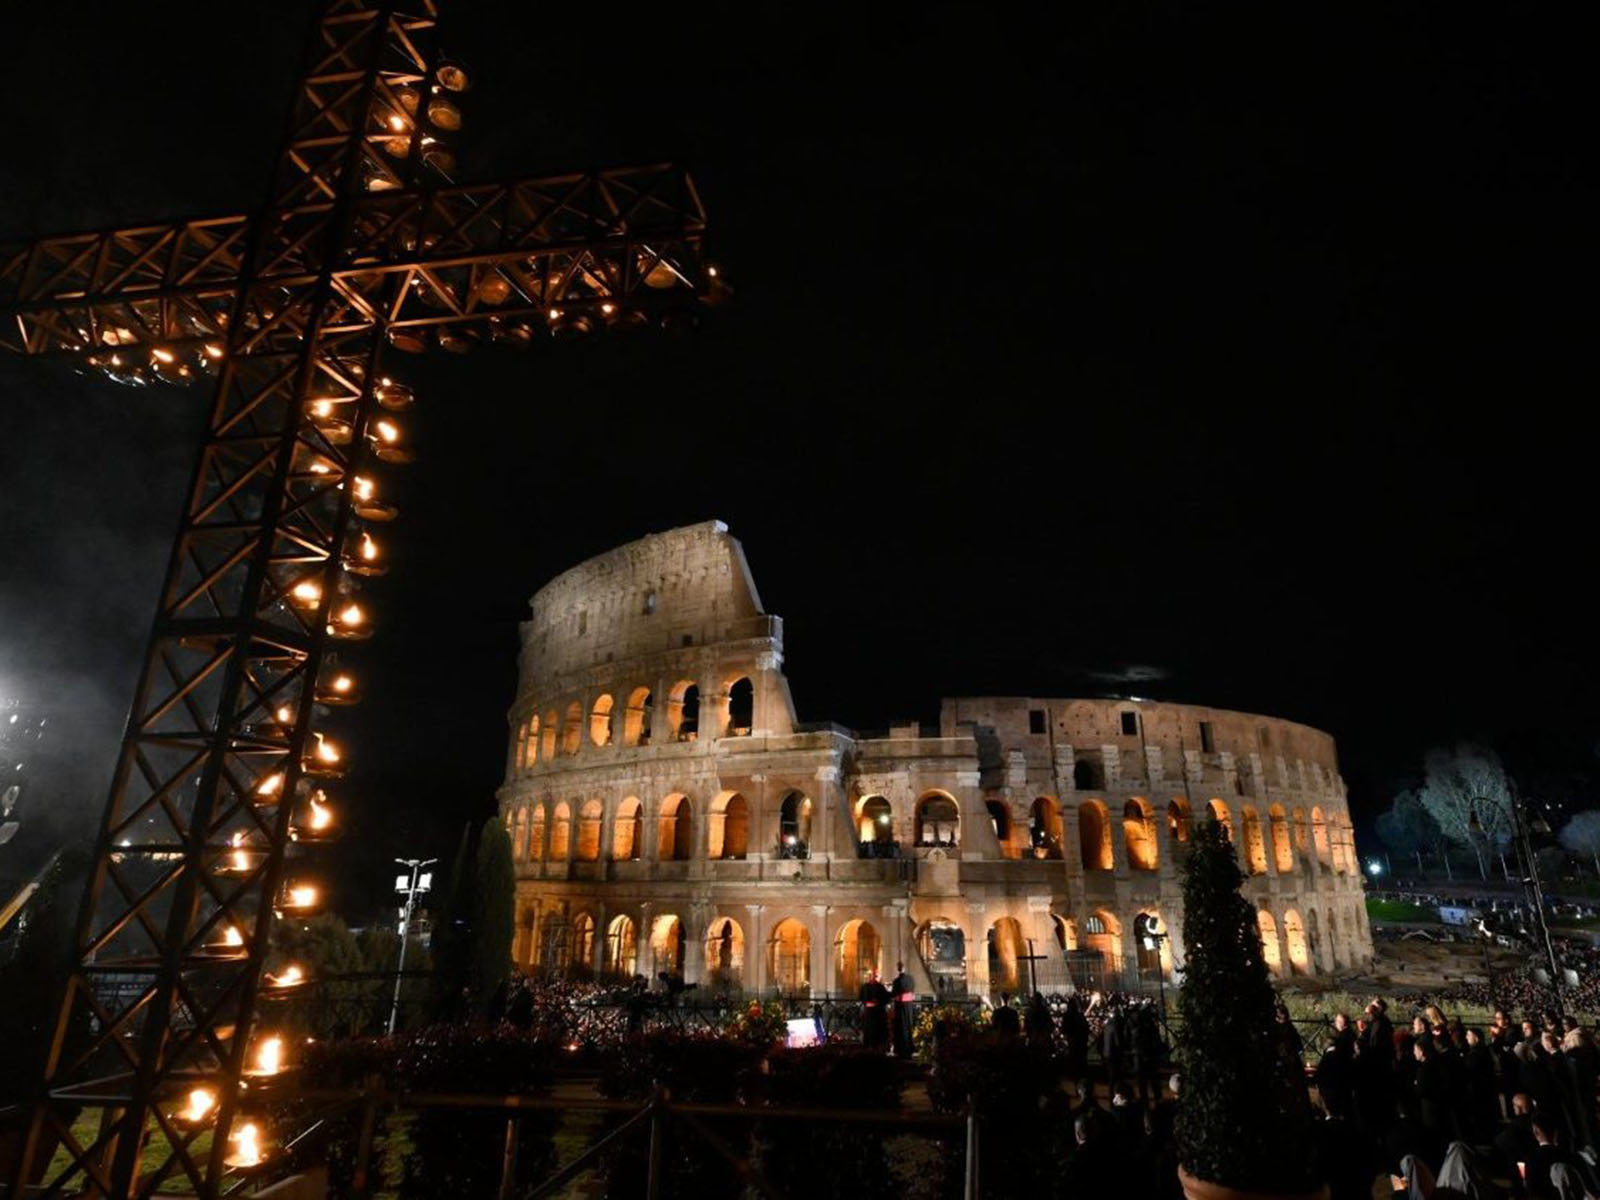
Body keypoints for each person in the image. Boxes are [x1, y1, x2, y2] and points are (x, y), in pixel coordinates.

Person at [859, 969, 890, 1052]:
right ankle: (876, 1049)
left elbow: (862, 998)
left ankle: (870, 1049)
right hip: (877, 1013)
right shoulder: (880, 987)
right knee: (876, 1033)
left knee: (870, 1033)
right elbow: (886, 999)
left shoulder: (866, 986)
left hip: (870, 1012)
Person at [889, 960, 916, 1057]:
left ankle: (901, 1048)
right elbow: (912, 989)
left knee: (901, 1027)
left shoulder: (896, 981)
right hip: (909, 1005)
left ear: (898, 968)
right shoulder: (911, 979)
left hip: (900, 1006)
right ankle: (910, 1047)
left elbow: (893, 994)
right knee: (909, 1026)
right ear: (905, 968)